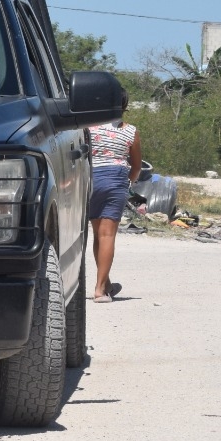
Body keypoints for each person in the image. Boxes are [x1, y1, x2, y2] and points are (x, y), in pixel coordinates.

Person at [87, 108, 141, 302]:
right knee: (107, 235)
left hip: (90, 178)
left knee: (98, 234)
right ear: (124, 107)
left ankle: (107, 283)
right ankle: (100, 289)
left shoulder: (87, 128)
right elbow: (136, 166)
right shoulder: (130, 131)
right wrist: (128, 184)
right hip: (115, 179)